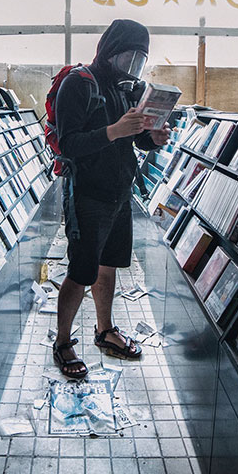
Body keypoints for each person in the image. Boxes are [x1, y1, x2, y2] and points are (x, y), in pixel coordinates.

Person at [52, 19, 171, 379]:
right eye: (127, 58)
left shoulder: (128, 89)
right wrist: (113, 130)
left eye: (139, 61)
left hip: (120, 190)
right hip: (87, 193)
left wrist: (153, 137)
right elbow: (69, 143)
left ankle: (105, 330)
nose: (132, 68)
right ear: (109, 51)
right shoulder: (78, 84)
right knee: (81, 270)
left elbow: (134, 140)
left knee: (110, 264)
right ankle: (62, 341)